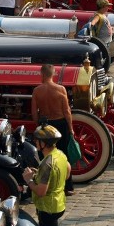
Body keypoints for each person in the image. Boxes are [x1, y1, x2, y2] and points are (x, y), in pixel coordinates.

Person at [31, 64, 75, 196]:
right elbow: (67, 112)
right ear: (53, 74)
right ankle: (68, 187)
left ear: (42, 74)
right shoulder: (61, 89)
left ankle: (45, 185)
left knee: (45, 156)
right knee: (63, 155)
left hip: (45, 124)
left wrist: (38, 125)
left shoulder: (37, 91)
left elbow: (34, 113)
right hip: (60, 123)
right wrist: (71, 128)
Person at [22, 124, 70, 226]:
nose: (35, 142)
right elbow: (67, 171)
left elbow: (40, 192)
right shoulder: (60, 155)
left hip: (47, 208)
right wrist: (39, 174)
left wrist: (29, 180)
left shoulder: (47, 163)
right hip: (58, 203)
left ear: (43, 143)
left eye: (37, 140)